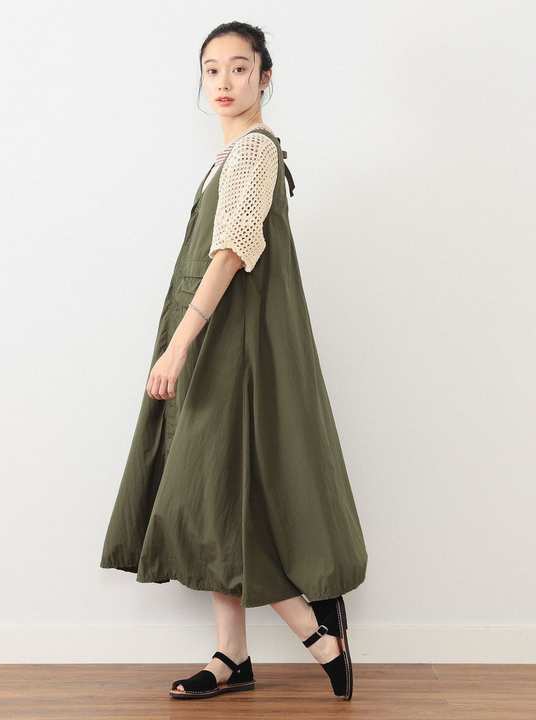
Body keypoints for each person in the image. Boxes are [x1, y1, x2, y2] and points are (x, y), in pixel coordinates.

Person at [100, 21, 368, 701]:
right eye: (212, 69)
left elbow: (230, 253)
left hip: (228, 352)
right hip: (217, 344)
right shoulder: (229, 157)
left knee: (210, 496)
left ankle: (316, 634)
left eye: (240, 68)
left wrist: (179, 344)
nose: (224, 81)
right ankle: (233, 656)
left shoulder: (252, 152)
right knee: (214, 495)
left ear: (265, 77)